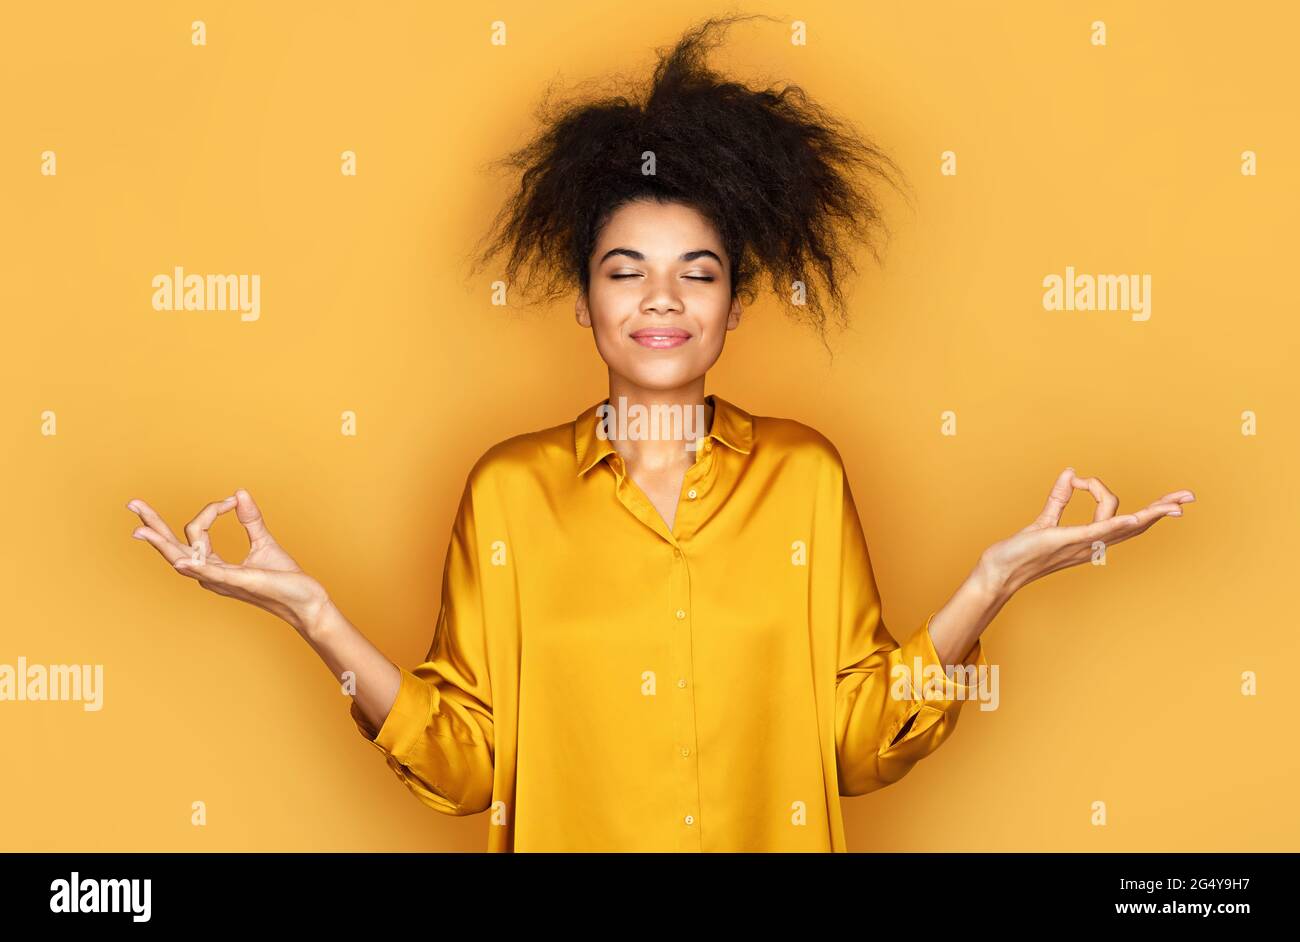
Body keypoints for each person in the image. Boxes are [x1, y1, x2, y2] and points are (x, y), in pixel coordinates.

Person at [126, 14, 1193, 852]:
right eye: (624, 270)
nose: (661, 299)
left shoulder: (803, 477)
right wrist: (309, 612)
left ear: (734, 310)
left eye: (699, 272)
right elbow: (466, 768)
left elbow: (857, 750)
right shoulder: (508, 492)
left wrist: (993, 582)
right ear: (584, 307)